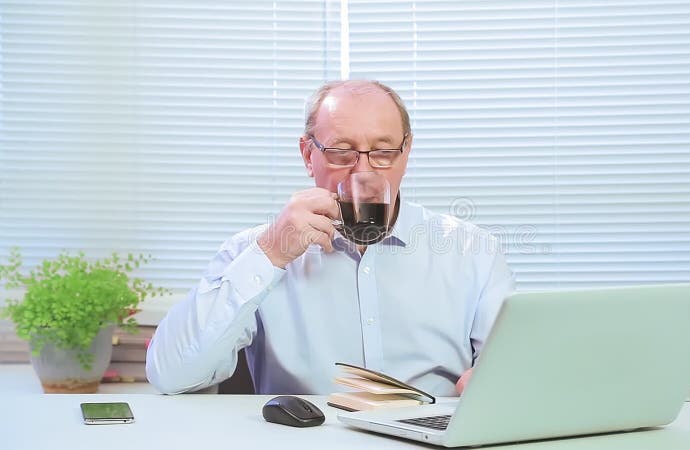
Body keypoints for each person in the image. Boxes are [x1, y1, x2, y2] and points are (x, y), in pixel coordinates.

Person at [145, 80, 515, 396]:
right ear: (309, 155)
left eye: (384, 153)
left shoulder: (470, 251)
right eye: (342, 152)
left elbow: (512, 375)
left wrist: (496, 385)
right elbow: (171, 376)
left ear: (406, 153)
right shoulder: (254, 250)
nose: (364, 173)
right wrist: (271, 254)